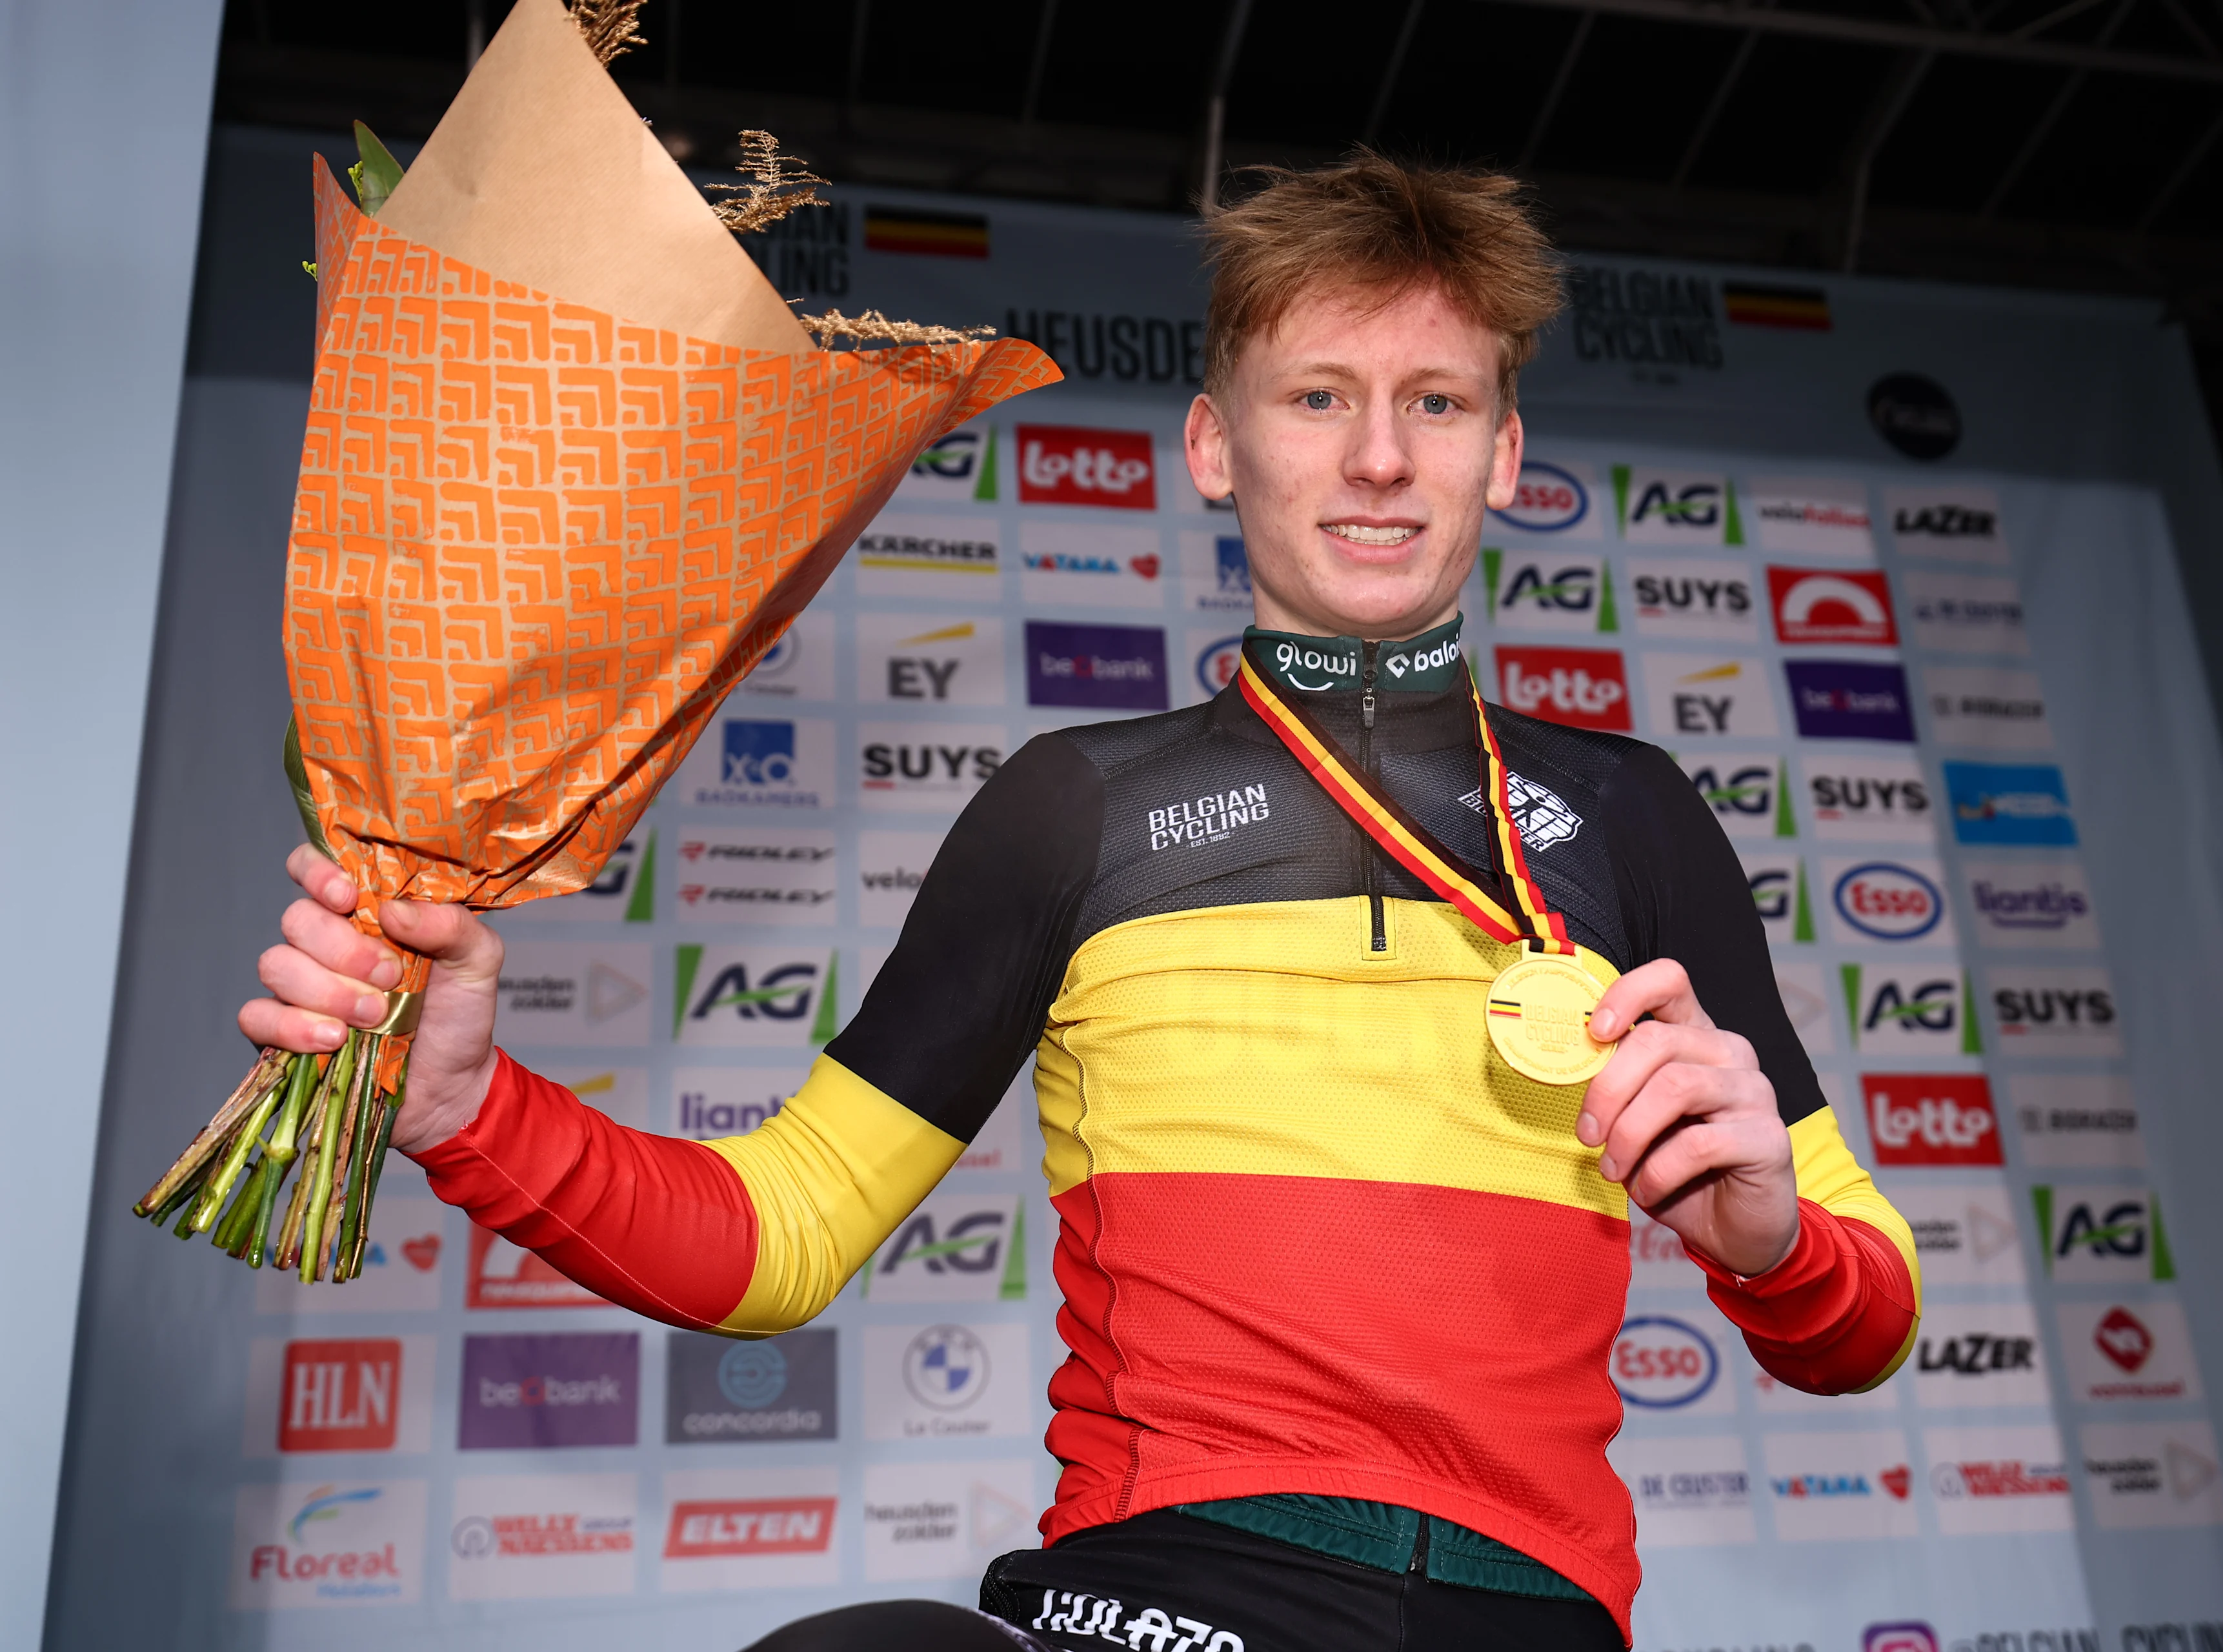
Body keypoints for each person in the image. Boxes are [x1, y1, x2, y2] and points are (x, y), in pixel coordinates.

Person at [245, 154, 1918, 1651]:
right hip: (1177, 1594)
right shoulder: (1075, 806)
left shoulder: (1632, 815)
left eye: (1440, 402)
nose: (1383, 460)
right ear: (1213, 443)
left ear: (1508, 451)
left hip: (1533, 1613)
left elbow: (1868, 1307)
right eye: (1318, 397)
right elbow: (787, 1227)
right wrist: (466, 1106)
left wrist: (1771, 1244)